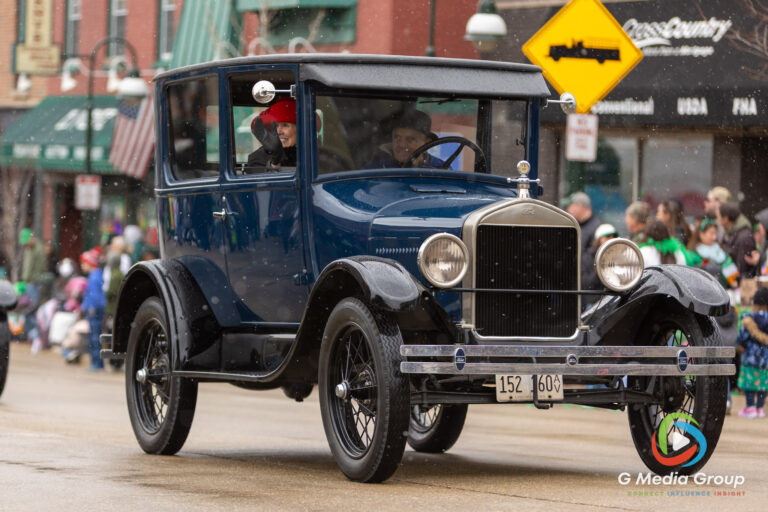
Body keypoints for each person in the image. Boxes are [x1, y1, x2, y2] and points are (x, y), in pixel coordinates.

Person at [366, 110, 446, 169]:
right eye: (397, 138)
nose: (401, 144)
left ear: (426, 143)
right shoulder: (377, 167)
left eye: (410, 139)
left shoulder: (440, 168)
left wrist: (417, 167)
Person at [736, 287, 768, 418]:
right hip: (765, 358)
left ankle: (750, 407)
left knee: (749, 383)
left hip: (750, 356)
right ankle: (760, 408)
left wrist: (742, 344)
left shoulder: (749, 318)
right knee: (763, 384)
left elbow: (742, 338)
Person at [248, 98, 297, 170]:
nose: (279, 132)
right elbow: (263, 180)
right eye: (275, 126)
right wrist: (275, 161)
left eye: (285, 125)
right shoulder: (257, 157)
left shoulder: (313, 153)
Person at [80, 247, 106, 371]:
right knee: (96, 336)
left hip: (94, 310)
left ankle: (96, 362)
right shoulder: (95, 275)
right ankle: (98, 362)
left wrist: (90, 307)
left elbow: (94, 295)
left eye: (84, 263)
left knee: (95, 337)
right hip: (96, 309)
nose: (82, 265)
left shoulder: (94, 276)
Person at [718, 201, 759, 280]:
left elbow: (743, 267)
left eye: (719, 216)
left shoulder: (743, 237)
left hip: (741, 285)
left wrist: (737, 281)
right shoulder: (734, 233)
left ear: (726, 218)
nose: (718, 220)